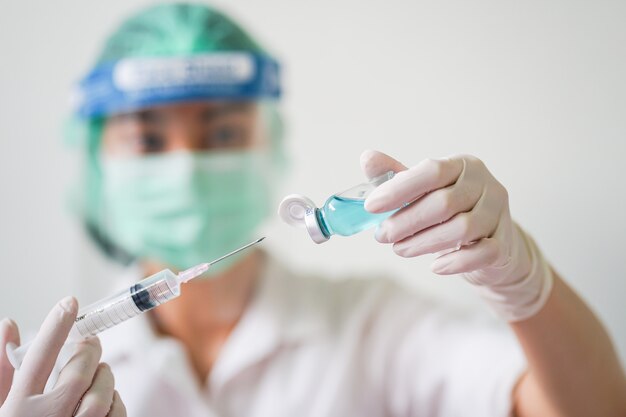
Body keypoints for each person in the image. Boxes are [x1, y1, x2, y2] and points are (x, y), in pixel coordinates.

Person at [2, 3, 626, 417]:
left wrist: (527, 286)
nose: (187, 166)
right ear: (93, 161)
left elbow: (594, 407)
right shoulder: (46, 377)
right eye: (148, 140)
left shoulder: (372, 325)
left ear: (268, 142)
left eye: (221, 134)